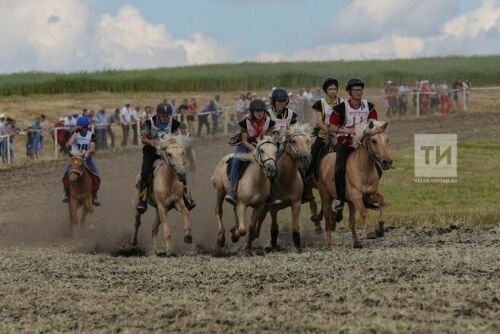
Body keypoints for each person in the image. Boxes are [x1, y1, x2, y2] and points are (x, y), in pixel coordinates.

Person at [329, 77, 379, 222]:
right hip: (345, 143)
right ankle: (339, 199)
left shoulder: (369, 106)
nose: (358, 92)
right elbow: (331, 126)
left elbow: (374, 124)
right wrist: (348, 130)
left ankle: (369, 196)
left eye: (360, 89)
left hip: (363, 145)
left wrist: (369, 132)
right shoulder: (341, 108)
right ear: (350, 91)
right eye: (355, 90)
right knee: (339, 168)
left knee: (379, 166)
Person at [136, 102, 195, 214]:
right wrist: (151, 142)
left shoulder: (174, 124)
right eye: (163, 116)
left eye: (167, 116)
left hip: (168, 151)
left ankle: (186, 197)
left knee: (181, 169)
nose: (165, 118)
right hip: (152, 151)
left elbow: (177, 139)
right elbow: (143, 140)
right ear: (158, 115)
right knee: (145, 172)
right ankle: (142, 200)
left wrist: (180, 143)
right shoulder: (150, 122)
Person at [224, 99, 278, 205]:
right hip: (246, 146)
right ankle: (233, 191)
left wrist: (266, 149)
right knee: (236, 160)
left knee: (273, 162)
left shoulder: (269, 122)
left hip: (263, 147)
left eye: (261, 111)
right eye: (257, 111)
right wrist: (255, 149)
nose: (259, 113)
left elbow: (269, 139)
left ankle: (271, 193)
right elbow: (244, 141)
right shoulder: (246, 122)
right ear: (252, 112)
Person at [305, 77, 343, 198]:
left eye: (335, 89)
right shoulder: (320, 103)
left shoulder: (343, 103)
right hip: (323, 136)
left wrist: (338, 131)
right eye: (330, 89)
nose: (333, 91)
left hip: (339, 136)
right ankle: (308, 178)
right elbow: (320, 121)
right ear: (326, 91)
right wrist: (328, 130)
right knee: (312, 155)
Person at [62, 116, 101, 206]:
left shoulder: (91, 135)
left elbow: (92, 147)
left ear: (85, 127)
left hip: (87, 158)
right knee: (66, 173)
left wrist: (87, 152)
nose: (79, 128)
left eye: (81, 127)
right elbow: (70, 143)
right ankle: (66, 194)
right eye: (78, 126)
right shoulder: (75, 133)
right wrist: (74, 136)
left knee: (96, 175)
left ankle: (94, 196)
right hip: (76, 158)